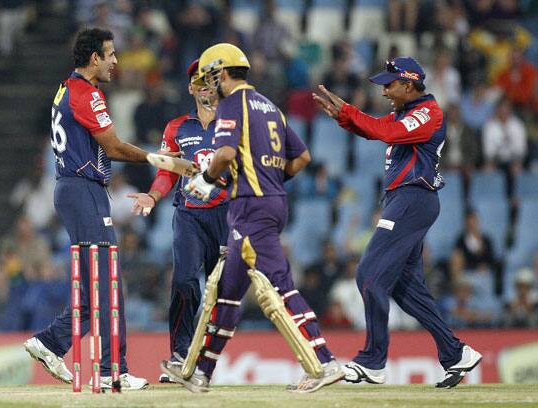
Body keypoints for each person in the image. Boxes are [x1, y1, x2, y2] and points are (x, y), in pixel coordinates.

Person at [160, 43, 344, 393]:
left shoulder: (232, 104)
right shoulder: (270, 106)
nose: (211, 83)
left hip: (250, 208)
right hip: (270, 202)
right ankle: (201, 373)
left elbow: (226, 152)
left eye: (213, 75)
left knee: (280, 285)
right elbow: (302, 157)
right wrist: (271, 180)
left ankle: (325, 361)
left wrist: (206, 180)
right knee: (227, 294)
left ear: (223, 73)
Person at [312, 56, 482, 388]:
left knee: (368, 275)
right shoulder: (407, 112)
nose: (385, 90)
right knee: (406, 289)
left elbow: (383, 131)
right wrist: (344, 119)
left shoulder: (428, 113)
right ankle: (456, 352)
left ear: (408, 84)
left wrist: (349, 112)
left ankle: (373, 361)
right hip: (403, 200)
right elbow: (376, 128)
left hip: (412, 199)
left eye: (389, 84)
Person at [23, 28, 174, 390]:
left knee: (99, 287)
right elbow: (115, 147)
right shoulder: (87, 94)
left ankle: (50, 342)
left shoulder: (65, 88)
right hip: (83, 190)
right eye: (110, 54)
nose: (116, 61)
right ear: (94, 58)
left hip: (73, 189)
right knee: (108, 285)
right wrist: (157, 157)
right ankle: (111, 371)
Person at [128, 59, 229, 383]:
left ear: (218, 84)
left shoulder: (233, 125)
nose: (204, 86)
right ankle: (179, 355)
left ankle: (205, 363)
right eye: (198, 80)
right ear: (190, 88)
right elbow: (166, 171)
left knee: (222, 292)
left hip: (227, 215)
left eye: (210, 80)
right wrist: (153, 197)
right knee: (184, 281)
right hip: (188, 216)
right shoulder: (176, 128)